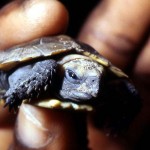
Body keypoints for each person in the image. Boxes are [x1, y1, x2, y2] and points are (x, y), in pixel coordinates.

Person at [0, 0, 149, 149]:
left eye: (99, 78)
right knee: (48, 65)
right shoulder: (48, 67)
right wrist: (17, 93)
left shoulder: (102, 87)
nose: (94, 86)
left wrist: (121, 120)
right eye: (75, 77)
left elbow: (129, 91)